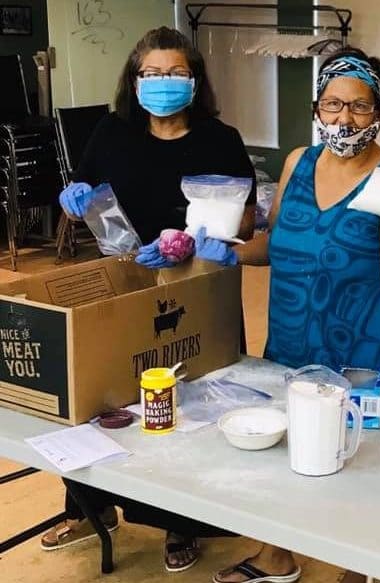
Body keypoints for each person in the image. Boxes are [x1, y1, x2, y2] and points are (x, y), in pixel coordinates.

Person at [200, 48, 380, 583]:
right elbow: (277, 243)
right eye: (333, 104)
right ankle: (276, 556)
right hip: (295, 339)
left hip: (368, 350)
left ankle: (361, 570)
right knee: (290, 450)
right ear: (317, 107)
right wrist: (225, 250)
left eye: (359, 106)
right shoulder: (298, 162)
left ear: (379, 112)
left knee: (364, 462)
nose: (344, 119)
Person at [45, 26, 255, 572]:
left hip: (199, 285)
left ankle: (179, 522)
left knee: (190, 399)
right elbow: (84, 195)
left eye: (176, 72)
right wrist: (73, 201)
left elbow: (247, 219)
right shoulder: (111, 132)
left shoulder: (219, 139)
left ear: (195, 79)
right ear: (134, 80)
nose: (164, 83)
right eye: (152, 73)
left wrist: (197, 246)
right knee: (107, 393)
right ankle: (93, 509)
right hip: (126, 283)